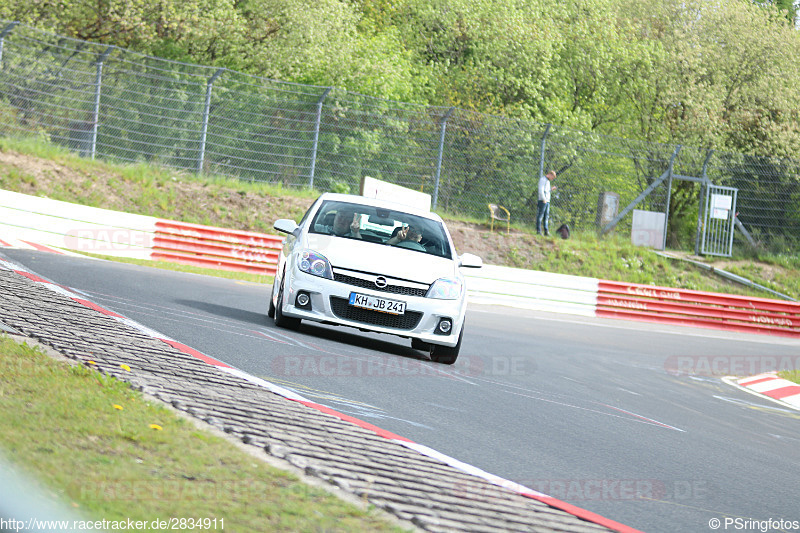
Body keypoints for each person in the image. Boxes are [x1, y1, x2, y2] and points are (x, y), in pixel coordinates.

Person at [536, 170, 557, 236]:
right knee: (540, 216)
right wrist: (543, 199)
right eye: (552, 177)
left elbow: (546, 191)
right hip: (543, 201)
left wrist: (551, 189)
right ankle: (538, 231)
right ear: (549, 174)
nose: (552, 179)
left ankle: (546, 231)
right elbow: (541, 190)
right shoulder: (543, 179)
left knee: (546, 217)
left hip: (547, 201)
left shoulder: (547, 181)